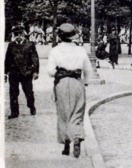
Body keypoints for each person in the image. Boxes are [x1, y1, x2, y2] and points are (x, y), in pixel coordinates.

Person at [47, 23, 93, 158]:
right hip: (77, 82)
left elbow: (50, 71)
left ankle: (66, 143)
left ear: (60, 36)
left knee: (63, 113)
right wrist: (85, 82)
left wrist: (57, 73)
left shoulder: (55, 50)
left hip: (61, 83)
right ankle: (77, 137)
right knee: (77, 111)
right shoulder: (80, 50)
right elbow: (88, 70)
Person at [4, 24, 39, 118]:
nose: (18, 36)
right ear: (14, 35)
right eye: (16, 34)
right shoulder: (11, 45)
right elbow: (7, 59)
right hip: (13, 73)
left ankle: (31, 106)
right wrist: (5, 73)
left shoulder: (30, 45)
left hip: (26, 73)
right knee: (13, 93)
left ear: (23, 34)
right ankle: (14, 112)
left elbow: (35, 59)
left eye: (20, 34)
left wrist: (35, 71)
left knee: (28, 92)